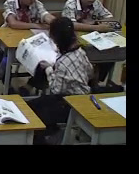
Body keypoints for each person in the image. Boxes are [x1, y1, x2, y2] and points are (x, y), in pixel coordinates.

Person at [27, 17, 93, 145]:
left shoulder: (63, 62)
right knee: (36, 104)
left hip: (70, 103)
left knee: (34, 111)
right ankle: (54, 132)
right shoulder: (80, 52)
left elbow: (55, 89)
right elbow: (90, 72)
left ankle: (52, 135)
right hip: (84, 96)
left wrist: (49, 69)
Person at [62, 0, 117, 83]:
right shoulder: (71, 4)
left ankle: (96, 79)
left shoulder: (96, 4)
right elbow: (71, 25)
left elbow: (110, 17)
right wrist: (96, 27)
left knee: (112, 52)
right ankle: (86, 78)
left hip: (92, 40)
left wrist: (96, 23)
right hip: (74, 42)